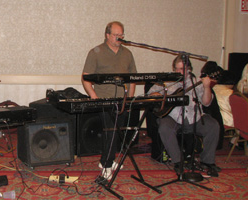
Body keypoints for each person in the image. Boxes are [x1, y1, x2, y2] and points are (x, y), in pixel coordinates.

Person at [148, 54, 221, 177]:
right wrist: (156, 95)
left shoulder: (197, 82)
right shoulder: (168, 82)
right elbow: (150, 94)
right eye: (176, 69)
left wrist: (207, 87)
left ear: (189, 70)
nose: (179, 72)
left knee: (213, 126)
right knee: (164, 127)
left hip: (194, 118)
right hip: (173, 118)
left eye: (182, 69)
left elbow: (207, 103)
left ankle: (207, 162)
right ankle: (178, 161)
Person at [81, 21, 137, 180]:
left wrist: (130, 98)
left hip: (123, 99)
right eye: (116, 35)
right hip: (104, 100)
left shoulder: (127, 54)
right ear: (107, 35)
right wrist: (93, 95)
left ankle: (107, 160)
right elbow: (85, 77)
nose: (119, 38)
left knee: (117, 132)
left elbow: (133, 78)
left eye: (121, 35)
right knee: (110, 131)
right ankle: (106, 165)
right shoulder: (96, 52)